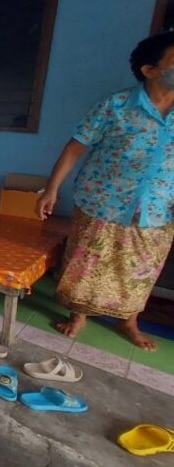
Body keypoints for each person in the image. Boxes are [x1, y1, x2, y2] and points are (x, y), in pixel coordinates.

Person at [37, 31, 174, 351]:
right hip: (103, 201)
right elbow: (75, 148)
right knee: (87, 264)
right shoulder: (116, 105)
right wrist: (51, 189)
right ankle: (78, 316)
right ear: (150, 70)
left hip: (158, 208)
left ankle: (129, 321)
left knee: (141, 270)